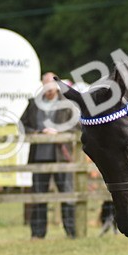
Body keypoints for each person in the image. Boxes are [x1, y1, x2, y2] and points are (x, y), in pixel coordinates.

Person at [20, 72, 77, 239]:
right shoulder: (33, 104)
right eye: (46, 86)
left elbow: (77, 127)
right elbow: (22, 125)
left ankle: (72, 232)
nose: (49, 90)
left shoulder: (67, 104)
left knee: (67, 195)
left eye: (52, 87)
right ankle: (37, 233)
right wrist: (38, 132)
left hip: (61, 156)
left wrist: (59, 132)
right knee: (39, 196)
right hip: (39, 155)